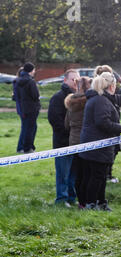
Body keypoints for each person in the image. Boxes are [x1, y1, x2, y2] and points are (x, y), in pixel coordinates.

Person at [79, 72, 121, 211]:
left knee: (99, 175)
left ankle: (100, 202)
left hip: (97, 144)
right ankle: (92, 204)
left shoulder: (102, 98)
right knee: (97, 176)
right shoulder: (101, 101)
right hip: (98, 145)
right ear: (112, 86)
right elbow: (103, 123)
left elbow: (118, 99)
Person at [48, 69, 80, 207]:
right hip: (62, 142)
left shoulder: (79, 97)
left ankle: (72, 197)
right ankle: (61, 198)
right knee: (63, 173)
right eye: (73, 79)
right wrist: (68, 133)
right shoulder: (57, 97)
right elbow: (54, 120)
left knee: (74, 173)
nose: (75, 82)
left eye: (77, 79)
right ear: (65, 80)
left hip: (75, 142)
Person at [64, 77, 92, 209]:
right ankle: (87, 200)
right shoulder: (90, 102)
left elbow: (66, 124)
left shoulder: (71, 103)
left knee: (77, 173)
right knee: (88, 173)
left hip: (73, 142)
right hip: (87, 140)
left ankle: (80, 202)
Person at [16, 62, 40, 154]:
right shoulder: (31, 81)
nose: (34, 71)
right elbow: (35, 95)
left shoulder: (18, 81)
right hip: (32, 108)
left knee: (25, 128)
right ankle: (28, 148)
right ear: (30, 70)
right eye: (33, 69)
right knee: (31, 128)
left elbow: (16, 95)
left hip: (22, 108)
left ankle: (21, 147)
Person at [12, 67, 25, 153]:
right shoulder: (19, 83)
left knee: (24, 127)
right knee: (24, 128)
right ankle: (20, 147)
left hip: (20, 108)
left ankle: (22, 146)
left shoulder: (16, 82)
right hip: (23, 108)